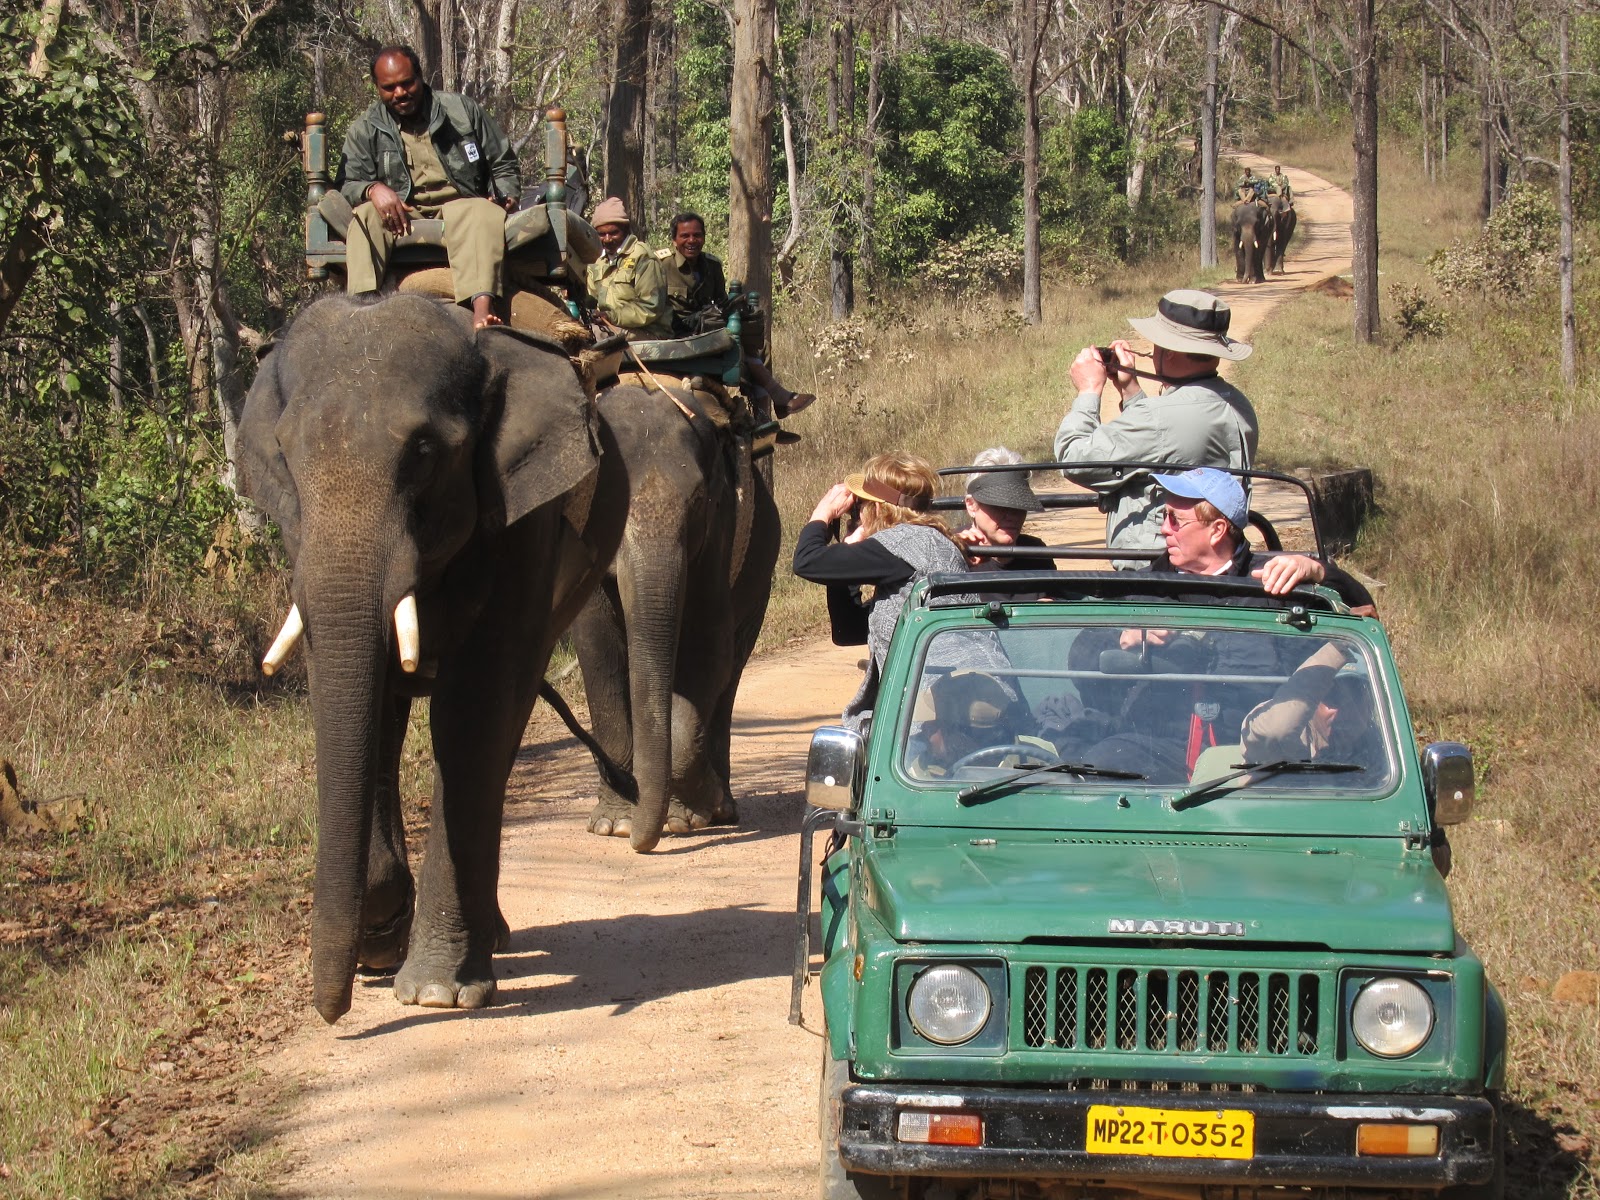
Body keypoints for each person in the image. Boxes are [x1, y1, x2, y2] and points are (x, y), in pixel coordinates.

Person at [1055, 289, 1259, 562]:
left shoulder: (1160, 417)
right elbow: (1164, 446)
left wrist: (1089, 390)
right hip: (1215, 560)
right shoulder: (1237, 403)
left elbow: (1074, 459)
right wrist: (1130, 391)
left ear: (1171, 351)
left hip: (1157, 570)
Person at [335, 45, 520, 330]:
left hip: (462, 207)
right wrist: (372, 190)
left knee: (482, 212)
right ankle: (361, 312)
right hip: (404, 216)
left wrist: (506, 194)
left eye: (407, 83)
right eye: (389, 87)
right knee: (365, 217)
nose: (400, 93)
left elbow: (503, 161)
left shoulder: (461, 110)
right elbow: (348, 182)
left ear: (420, 76)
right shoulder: (365, 128)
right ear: (377, 88)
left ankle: (482, 308)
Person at [792, 452, 978, 731]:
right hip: (945, 697)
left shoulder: (905, 543)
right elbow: (849, 631)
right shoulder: (927, 542)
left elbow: (807, 561)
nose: (858, 514)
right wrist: (847, 553)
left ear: (878, 509)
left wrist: (822, 515)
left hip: (935, 714)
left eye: (861, 506)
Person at [1147, 467, 1376, 613]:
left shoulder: (1272, 587)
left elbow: (1365, 615)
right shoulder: (1142, 587)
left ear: (1217, 531)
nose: (1165, 529)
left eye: (1175, 519)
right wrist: (1128, 636)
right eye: (1165, 516)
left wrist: (1319, 572)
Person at [656, 211, 815, 419]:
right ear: (674, 240)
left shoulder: (711, 265)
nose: (691, 241)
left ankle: (763, 415)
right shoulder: (661, 264)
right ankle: (779, 397)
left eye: (697, 235)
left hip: (706, 326)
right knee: (736, 340)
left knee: (759, 344)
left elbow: (722, 303)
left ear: (704, 237)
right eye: (685, 236)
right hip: (677, 332)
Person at [955, 447, 1055, 574]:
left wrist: (1051, 595)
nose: (1011, 515)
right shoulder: (951, 551)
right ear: (971, 505)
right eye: (998, 506)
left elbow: (1057, 591)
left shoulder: (1036, 552)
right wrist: (955, 556)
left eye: (1019, 505)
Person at [586, 196, 674, 340]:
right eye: (601, 234)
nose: (607, 239)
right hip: (612, 326)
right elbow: (589, 299)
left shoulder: (643, 257)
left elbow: (650, 307)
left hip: (650, 333)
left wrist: (610, 316)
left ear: (626, 230)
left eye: (614, 233)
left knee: (594, 336)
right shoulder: (598, 260)